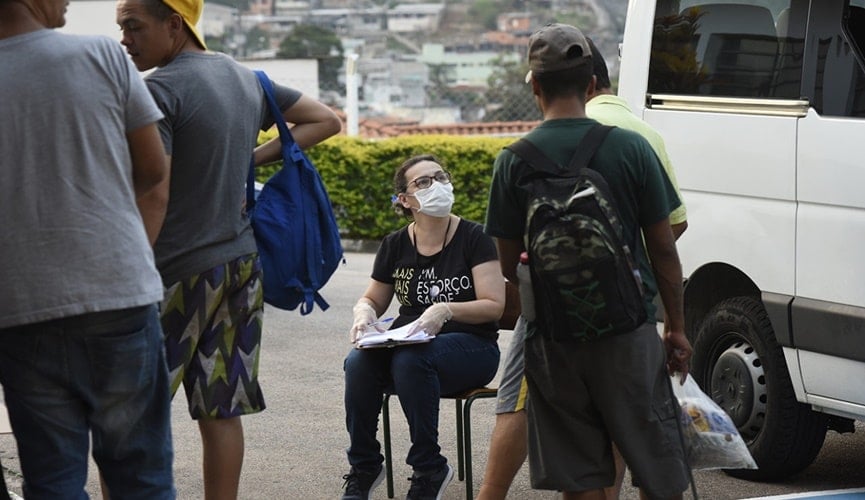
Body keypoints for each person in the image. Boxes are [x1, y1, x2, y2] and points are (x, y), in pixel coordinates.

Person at [114, 0, 342, 498]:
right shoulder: (245, 79)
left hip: (173, 273)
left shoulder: (158, 90)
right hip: (240, 267)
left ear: (175, 24)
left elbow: (154, 195)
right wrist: (249, 160)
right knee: (221, 410)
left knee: (128, 416)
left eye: (134, 27)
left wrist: (128, 274)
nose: (125, 40)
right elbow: (325, 120)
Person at [484, 23, 693, 500]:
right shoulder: (631, 147)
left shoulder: (512, 162)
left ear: (535, 87)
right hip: (628, 332)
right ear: (592, 84)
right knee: (658, 469)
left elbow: (508, 265)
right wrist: (676, 329)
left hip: (554, 341)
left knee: (579, 479)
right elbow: (664, 249)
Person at [0, 0, 173, 497]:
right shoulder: (101, 55)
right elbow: (153, 170)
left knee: (52, 480)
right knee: (141, 477)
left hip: (19, 305)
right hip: (116, 290)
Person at [341, 155, 504, 500]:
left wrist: (445, 310)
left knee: (412, 360)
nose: (438, 185)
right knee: (358, 362)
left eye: (441, 177)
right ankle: (365, 465)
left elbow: (494, 305)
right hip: (410, 344)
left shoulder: (475, 237)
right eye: (424, 182)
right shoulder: (395, 244)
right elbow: (373, 297)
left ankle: (429, 468)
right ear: (405, 200)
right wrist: (363, 312)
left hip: (472, 347)